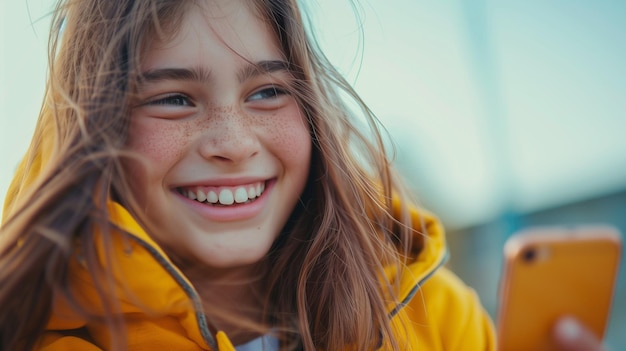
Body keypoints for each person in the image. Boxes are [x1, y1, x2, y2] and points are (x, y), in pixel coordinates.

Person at [0, 0, 608, 350]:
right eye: (174, 100)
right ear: (93, 129)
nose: (234, 144)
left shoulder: (429, 313)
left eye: (267, 91)